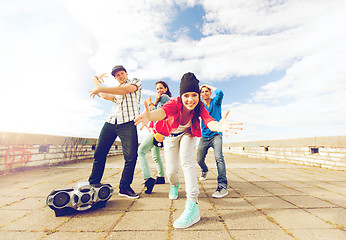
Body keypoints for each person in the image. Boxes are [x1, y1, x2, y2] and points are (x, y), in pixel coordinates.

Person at [134, 72, 242, 229]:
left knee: (186, 160)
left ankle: (192, 205)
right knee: (171, 171)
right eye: (186, 95)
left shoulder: (199, 106)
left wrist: (218, 126)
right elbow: (162, 112)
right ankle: (174, 184)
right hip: (171, 135)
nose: (190, 99)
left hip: (188, 133)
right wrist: (150, 116)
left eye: (194, 95)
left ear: (198, 95)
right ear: (181, 96)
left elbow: (208, 120)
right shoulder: (174, 103)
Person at [88, 65, 142, 199]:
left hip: (128, 123)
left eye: (122, 73)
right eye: (117, 75)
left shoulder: (135, 81)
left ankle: (124, 187)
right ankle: (93, 183)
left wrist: (100, 87)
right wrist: (95, 79)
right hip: (111, 122)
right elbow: (105, 95)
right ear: (116, 78)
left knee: (131, 157)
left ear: (126, 73)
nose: (121, 76)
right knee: (99, 153)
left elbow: (124, 90)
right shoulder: (116, 93)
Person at [138, 81, 172, 194]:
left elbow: (162, 113)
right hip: (157, 130)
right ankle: (161, 176)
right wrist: (152, 103)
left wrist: (154, 102)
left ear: (166, 89)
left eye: (161, 88)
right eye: (157, 89)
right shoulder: (160, 99)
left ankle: (148, 179)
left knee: (141, 151)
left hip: (161, 130)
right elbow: (151, 114)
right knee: (155, 155)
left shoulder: (165, 97)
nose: (159, 91)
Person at [196, 84, 228, 198]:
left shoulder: (216, 102)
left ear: (210, 92)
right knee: (199, 159)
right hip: (204, 136)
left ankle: (223, 185)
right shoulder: (200, 105)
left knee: (219, 157)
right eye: (202, 92)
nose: (204, 93)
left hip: (216, 135)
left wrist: (207, 85)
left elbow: (220, 92)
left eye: (206, 91)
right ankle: (204, 170)